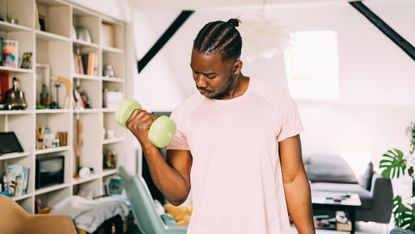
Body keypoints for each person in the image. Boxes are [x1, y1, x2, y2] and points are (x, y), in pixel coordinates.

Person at [127, 18, 315, 234]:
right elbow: (177, 195)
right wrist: (149, 147)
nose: (199, 82)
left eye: (210, 75)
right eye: (194, 72)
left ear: (236, 67)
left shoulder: (277, 102)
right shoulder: (185, 113)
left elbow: (293, 179)